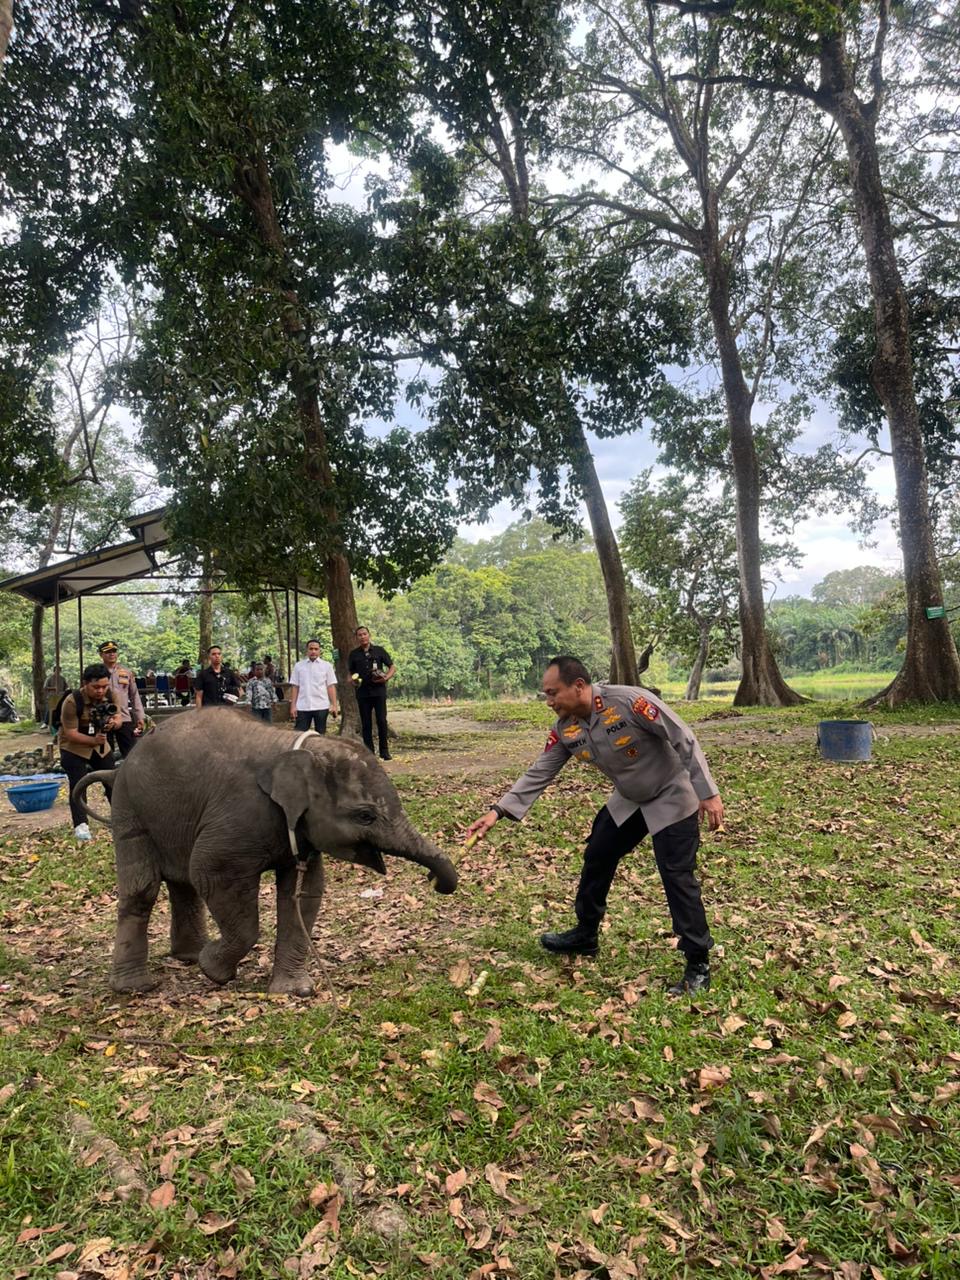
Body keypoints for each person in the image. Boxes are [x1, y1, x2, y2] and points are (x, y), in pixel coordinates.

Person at [464, 655, 725, 995]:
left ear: (579, 686)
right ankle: (586, 934)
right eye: (545, 694)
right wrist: (498, 811)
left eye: (553, 693)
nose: (549, 702)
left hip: (672, 792)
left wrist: (708, 793)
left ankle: (698, 963)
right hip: (630, 799)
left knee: (676, 874)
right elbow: (541, 770)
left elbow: (682, 736)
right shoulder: (566, 728)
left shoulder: (629, 701)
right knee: (598, 854)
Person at [57, 662, 121, 842]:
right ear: (85, 683)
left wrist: (113, 724)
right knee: (78, 784)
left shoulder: (111, 695)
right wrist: (93, 740)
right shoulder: (72, 701)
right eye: (96, 687)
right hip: (74, 746)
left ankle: (120, 819)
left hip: (100, 746)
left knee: (112, 781)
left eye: (104, 686)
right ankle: (81, 825)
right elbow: (70, 734)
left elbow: (119, 718)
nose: (101, 691)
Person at [348, 626, 395, 760]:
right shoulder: (354, 654)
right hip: (362, 693)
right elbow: (350, 673)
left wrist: (386, 677)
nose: (362, 637)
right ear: (356, 638)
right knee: (366, 723)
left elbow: (392, 666)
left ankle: (384, 751)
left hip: (379, 691)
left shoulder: (379, 651)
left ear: (369, 635)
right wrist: (352, 680)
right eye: (359, 635)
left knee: (381, 720)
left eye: (364, 634)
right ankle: (369, 752)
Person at [97, 640, 146, 757]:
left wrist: (140, 717)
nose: (111, 654)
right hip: (103, 718)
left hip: (124, 717)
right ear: (101, 655)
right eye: (108, 652)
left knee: (131, 753)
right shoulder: (96, 673)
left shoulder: (126, 673)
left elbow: (134, 696)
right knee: (105, 755)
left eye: (114, 651)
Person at [289, 639, 338, 733]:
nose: (313, 651)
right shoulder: (299, 666)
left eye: (316, 649)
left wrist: (334, 705)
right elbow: (295, 687)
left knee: (320, 734)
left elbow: (330, 686)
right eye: (311, 649)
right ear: (307, 650)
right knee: (299, 734)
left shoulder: (327, 666)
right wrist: (293, 706)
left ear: (320, 650)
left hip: (321, 705)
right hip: (303, 706)